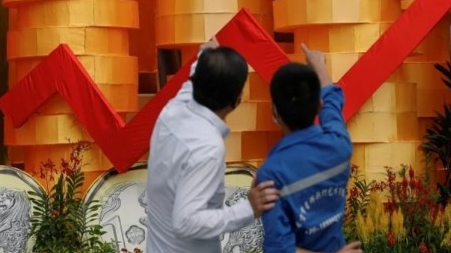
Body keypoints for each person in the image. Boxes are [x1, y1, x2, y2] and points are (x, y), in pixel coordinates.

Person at [146, 38, 279, 252]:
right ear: (237, 100)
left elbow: (193, 78)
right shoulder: (207, 148)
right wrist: (248, 209)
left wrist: (205, 55)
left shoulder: (174, 108)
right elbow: (186, 222)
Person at [257, 44, 362, 253]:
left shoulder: (270, 175)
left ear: (274, 113)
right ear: (318, 106)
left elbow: (279, 249)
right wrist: (319, 65)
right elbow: (332, 102)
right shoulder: (339, 145)